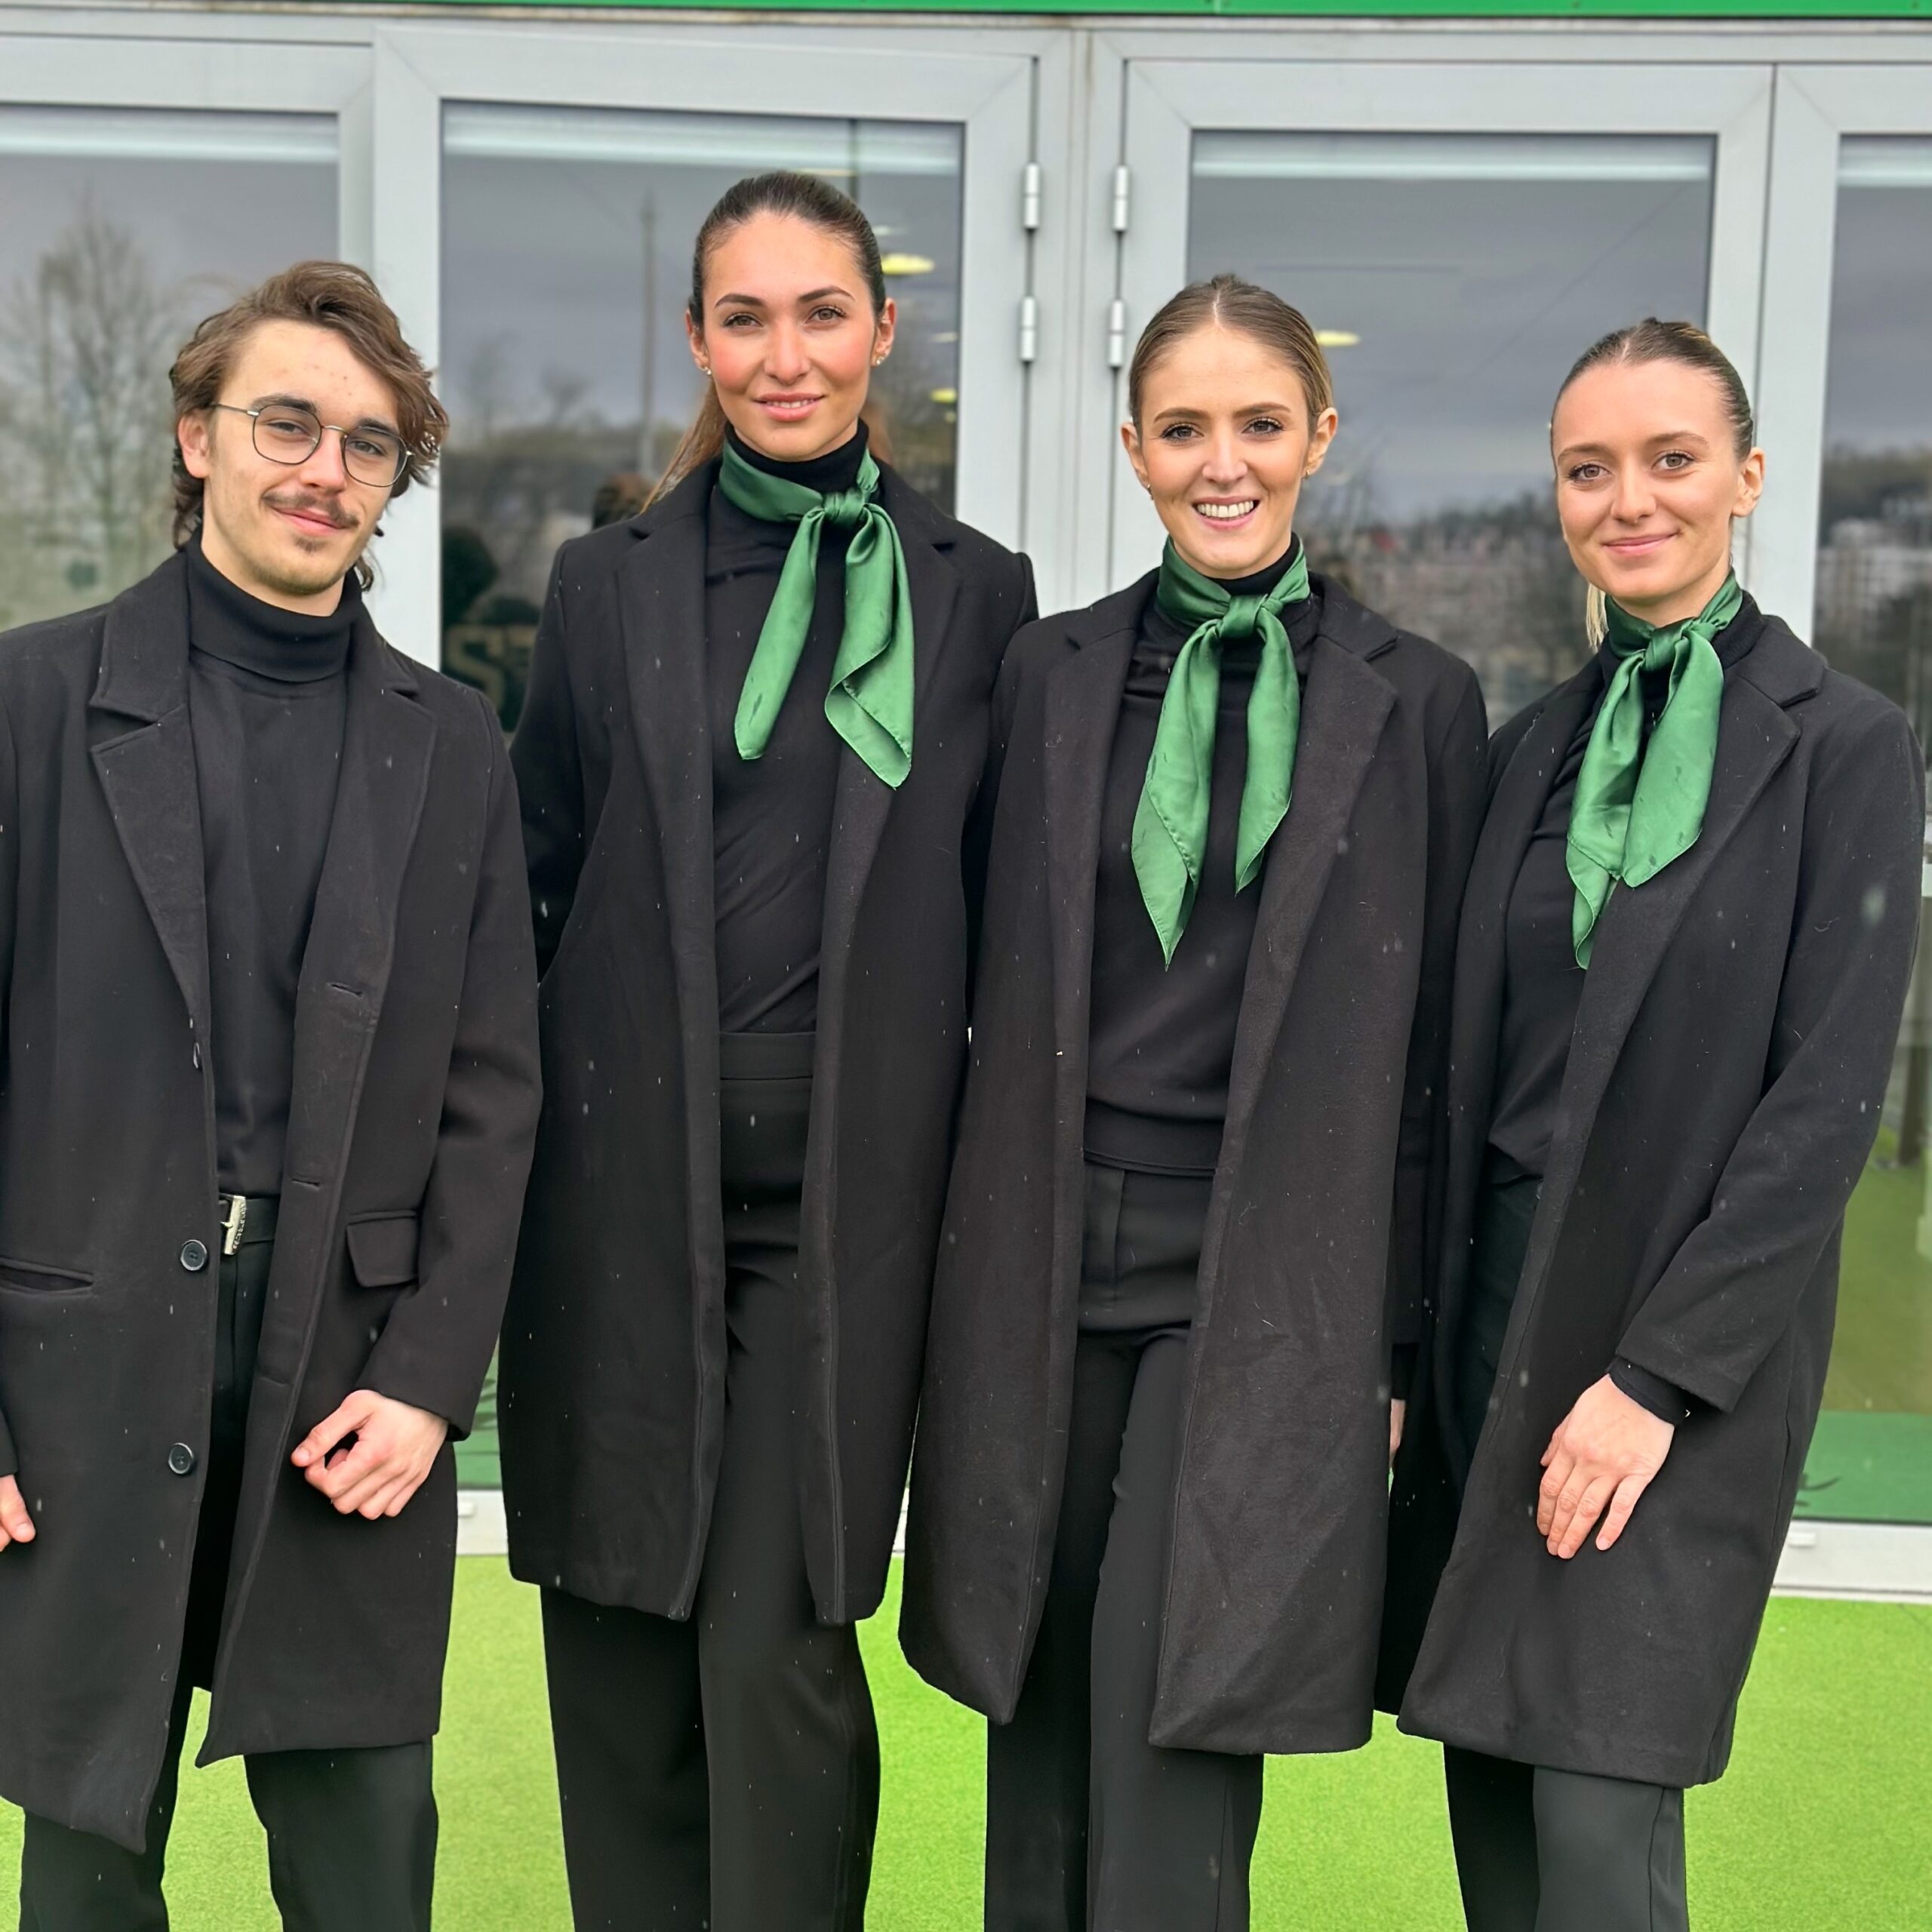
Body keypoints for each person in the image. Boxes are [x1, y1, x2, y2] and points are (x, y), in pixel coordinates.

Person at [901, 275, 1487, 1932]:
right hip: (1039, 1253)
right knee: (1037, 1696)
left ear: (1315, 434)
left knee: (1175, 1707)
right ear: (1131, 446)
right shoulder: (1047, 671)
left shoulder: (1418, 702)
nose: (1218, 462)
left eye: (1254, 423)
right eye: (1181, 429)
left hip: (1264, 1274)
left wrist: (1389, 1346)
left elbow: (1434, 1051)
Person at [501, 171, 1037, 1932]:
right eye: (745, 314)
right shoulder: (601, 588)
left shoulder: (976, 599)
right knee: (619, 1646)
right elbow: (544, 884)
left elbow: (997, 916)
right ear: (696, 336)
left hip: (842, 1228)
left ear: (883, 330)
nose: (784, 353)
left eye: (822, 313)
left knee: (774, 1649)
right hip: (615, 1209)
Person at [0, 261, 542, 1930]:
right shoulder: (31, 700)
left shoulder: (453, 744)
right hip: (81, 1354)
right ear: (196, 436)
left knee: (369, 1837)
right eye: (287, 421)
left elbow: (492, 1090)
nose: (324, 468)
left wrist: (430, 1381)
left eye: (368, 444)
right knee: (90, 1850)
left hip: (346, 1374)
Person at [1380, 320, 1924, 1932]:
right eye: (1587, 467)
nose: (1629, 498)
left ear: (1744, 479)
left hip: (1671, 1354)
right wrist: (1408, 1358)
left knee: (1599, 1816)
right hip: (1493, 1321)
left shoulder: (1843, 748)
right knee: (1487, 1775)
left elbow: (1824, 1103)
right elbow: (1448, 1075)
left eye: (1669, 458)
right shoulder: (1521, 747)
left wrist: (1653, 1379)